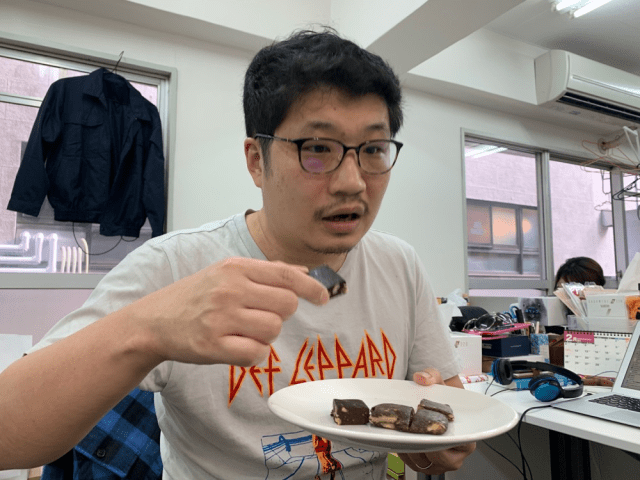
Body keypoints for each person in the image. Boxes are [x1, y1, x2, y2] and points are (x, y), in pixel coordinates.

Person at [0, 28, 475, 478]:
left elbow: (445, 425)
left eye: (372, 149)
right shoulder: (175, 266)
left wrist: (431, 449)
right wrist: (148, 330)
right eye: (317, 148)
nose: (353, 182)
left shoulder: (399, 265)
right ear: (256, 161)